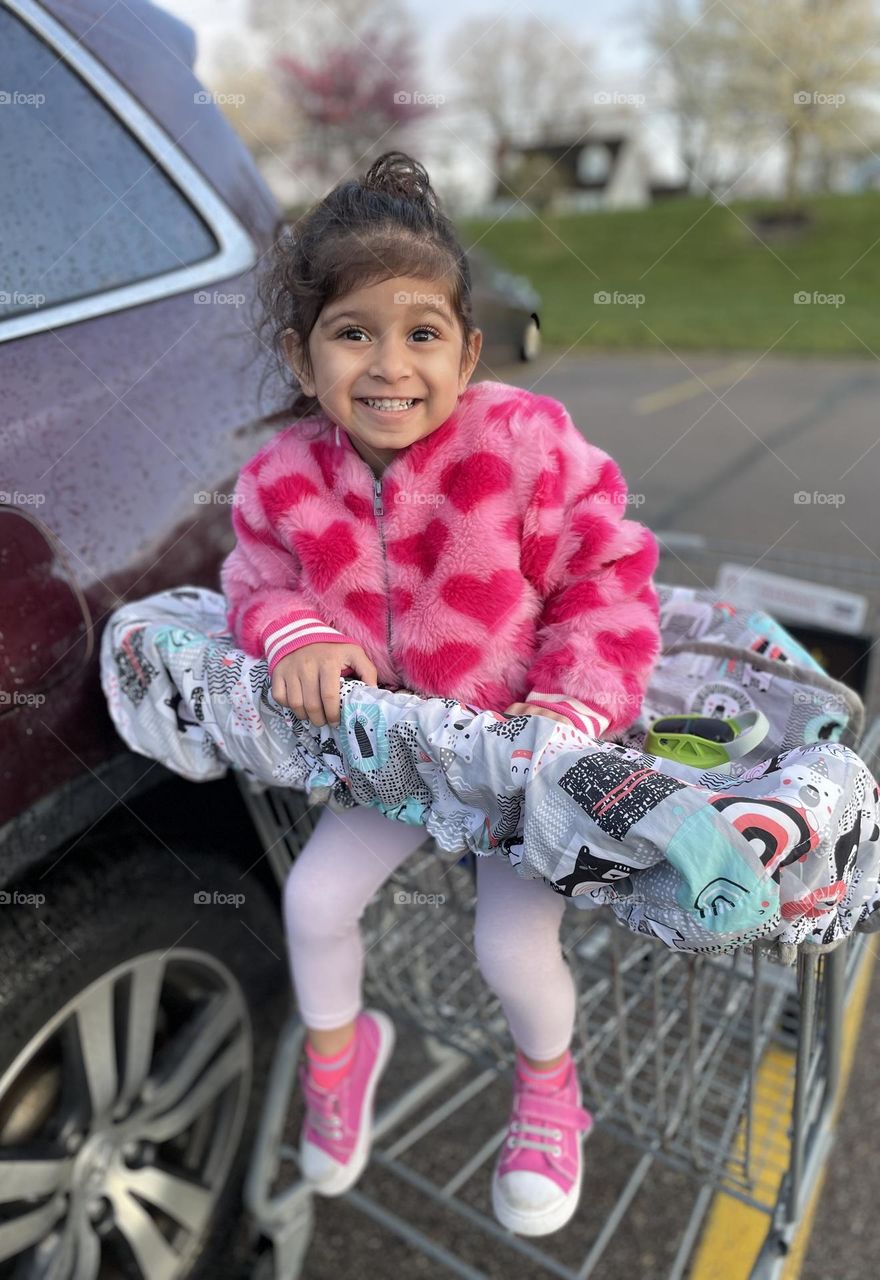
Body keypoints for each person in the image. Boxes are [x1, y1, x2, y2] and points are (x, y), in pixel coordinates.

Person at [220, 151, 661, 1237]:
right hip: (392, 756)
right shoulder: (283, 475)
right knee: (315, 901)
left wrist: (568, 710)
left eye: (421, 334)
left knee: (508, 946)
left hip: (520, 759)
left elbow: (609, 580)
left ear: (467, 351)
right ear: (302, 351)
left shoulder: (524, 446)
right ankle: (340, 1054)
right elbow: (256, 578)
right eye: (352, 332)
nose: (388, 365)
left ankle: (551, 1087)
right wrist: (296, 631)